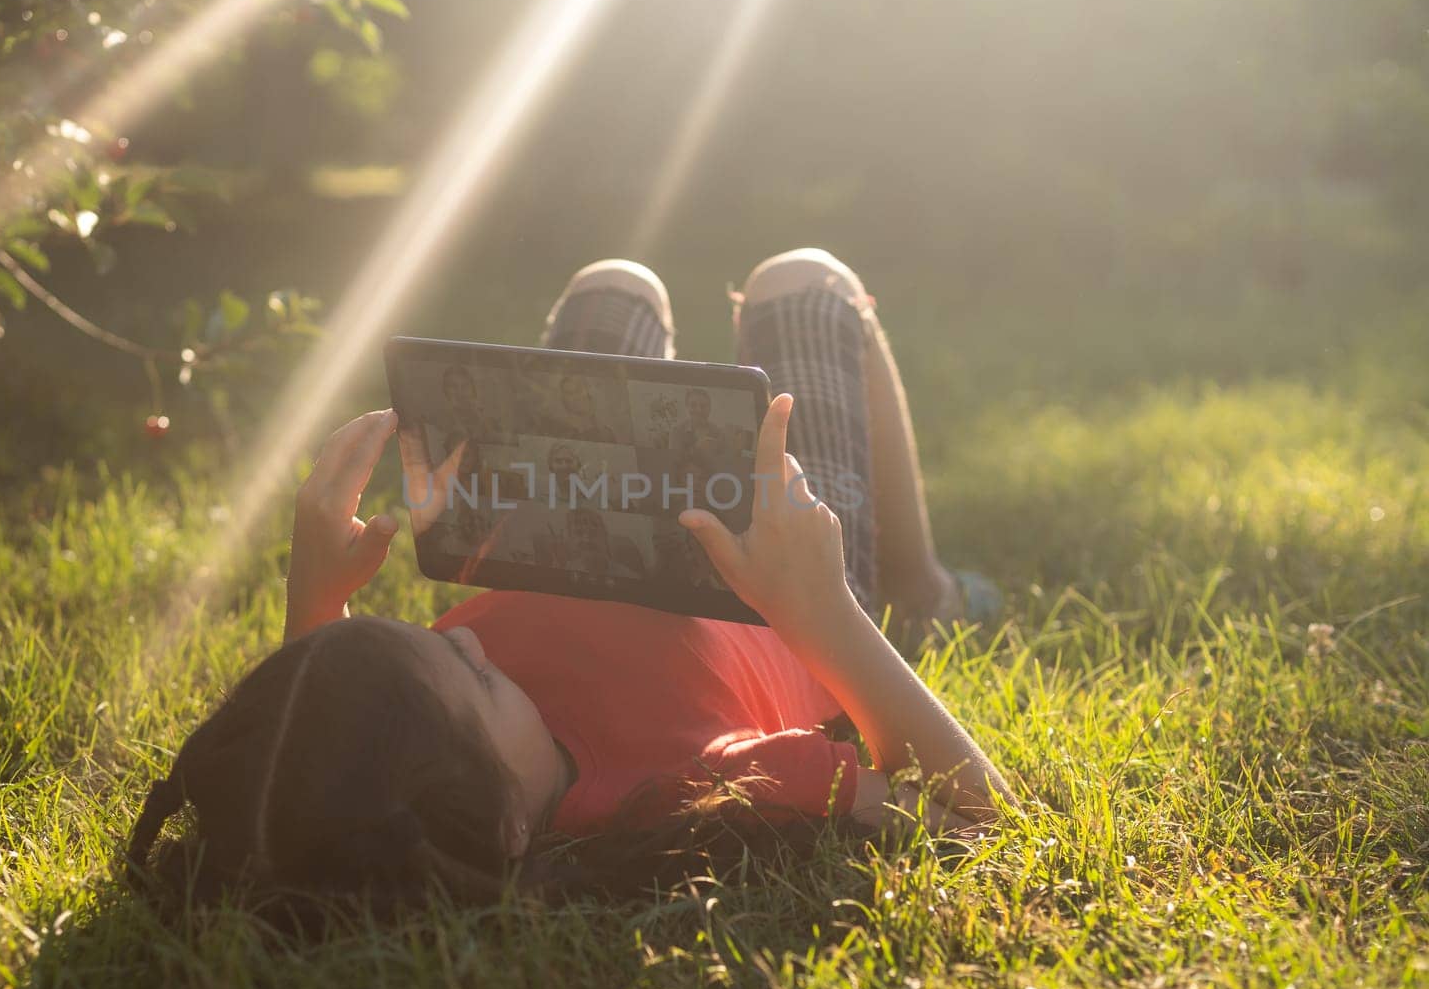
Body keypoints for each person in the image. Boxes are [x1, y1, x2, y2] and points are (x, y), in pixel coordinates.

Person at [125, 251, 1015, 917]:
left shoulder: (418, 747)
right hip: (782, 570)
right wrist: (829, 615)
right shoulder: (688, 789)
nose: (463, 640)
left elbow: (317, 777)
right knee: (803, 282)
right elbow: (977, 813)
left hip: (569, 515)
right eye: (469, 675)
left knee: (614, 286)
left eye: (433, 642)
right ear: (510, 826)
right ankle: (922, 589)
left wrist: (317, 611)